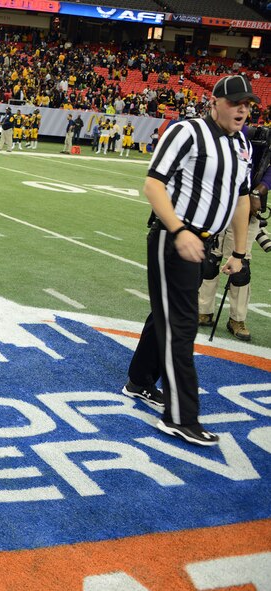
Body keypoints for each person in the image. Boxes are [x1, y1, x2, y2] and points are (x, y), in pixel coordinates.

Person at [122, 75, 255, 446]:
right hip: (174, 239)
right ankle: (181, 417)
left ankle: (139, 380)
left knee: (166, 315)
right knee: (181, 325)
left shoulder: (241, 143)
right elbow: (153, 183)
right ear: (214, 102)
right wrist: (180, 231)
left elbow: (242, 198)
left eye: (247, 103)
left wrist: (239, 252)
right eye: (235, 102)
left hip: (204, 243)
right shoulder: (188, 131)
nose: (242, 109)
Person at [198, 124, 271, 341]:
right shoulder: (249, 134)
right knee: (211, 260)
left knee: (241, 266)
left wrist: (258, 192)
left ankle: (236, 318)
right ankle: (204, 311)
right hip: (221, 202)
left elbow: (268, 175)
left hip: (248, 209)